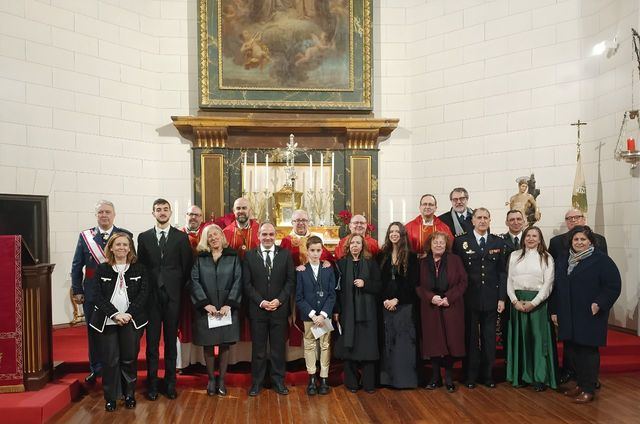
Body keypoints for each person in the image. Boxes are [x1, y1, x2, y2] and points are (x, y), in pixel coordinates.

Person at [550, 226, 621, 404]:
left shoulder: (601, 260)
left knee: (587, 352)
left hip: (590, 314)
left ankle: (589, 388)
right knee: (573, 351)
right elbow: (556, 287)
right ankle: (580, 385)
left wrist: (599, 304)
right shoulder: (564, 258)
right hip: (568, 313)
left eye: (583, 239)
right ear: (571, 242)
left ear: (590, 241)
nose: (579, 242)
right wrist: (555, 310)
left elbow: (613, 285)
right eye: (576, 240)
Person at [71, 200, 132, 383]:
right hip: (91, 293)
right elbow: (77, 265)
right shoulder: (86, 237)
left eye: (108, 212)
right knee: (94, 331)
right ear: (96, 215)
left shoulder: (125, 235)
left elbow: (132, 263)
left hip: (118, 293)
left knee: (119, 332)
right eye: (101, 212)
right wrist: (77, 289)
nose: (104, 215)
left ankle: (120, 368)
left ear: (114, 215)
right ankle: (96, 368)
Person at [137, 199, 193, 400]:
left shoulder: (181, 237)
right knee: (152, 344)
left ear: (170, 212)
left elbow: (187, 267)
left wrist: (177, 289)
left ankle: (170, 384)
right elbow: (141, 268)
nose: (162, 212)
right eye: (158, 209)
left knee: (170, 343)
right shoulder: (143, 238)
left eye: (165, 209)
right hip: (151, 298)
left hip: (172, 297)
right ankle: (152, 384)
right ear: (153, 213)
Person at [548, 208, 608, 384]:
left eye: (577, 217)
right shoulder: (557, 243)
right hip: (567, 303)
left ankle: (590, 380)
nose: (573, 220)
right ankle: (571, 373)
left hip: (589, 303)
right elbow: (554, 274)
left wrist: (599, 302)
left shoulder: (599, 244)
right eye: (569, 218)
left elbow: (605, 276)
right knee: (570, 342)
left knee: (588, 345)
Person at [89, 232, 148, 412]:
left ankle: (129, 394)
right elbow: (97, 296)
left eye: (125, 244)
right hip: (107, 321)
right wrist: (115, 314)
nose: (121, 247)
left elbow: (144, 294)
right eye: (118, 244)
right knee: (110, 360)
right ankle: (111, 397)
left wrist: (128, 314)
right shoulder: (102, 269)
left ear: (130, 248)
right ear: (111, 248)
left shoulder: (140, 268)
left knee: (129, 359)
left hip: (131, 320)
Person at [453, 207, 506, 389]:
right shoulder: (461, 242)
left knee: (489, 338)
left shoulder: (497, 242)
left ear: (490, 221)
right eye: (479, 218)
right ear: (472, 221)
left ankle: (488, 375)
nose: (482, 221)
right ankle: (470, 375)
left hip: (491, 299)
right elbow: (456, 272)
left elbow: (502, 273)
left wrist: (501, 298)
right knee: (471, 338)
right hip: (469, 298)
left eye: (486, 218)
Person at [189, 224, 242, 397]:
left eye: (216, 234)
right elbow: (194, 281)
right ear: (206, 239)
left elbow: (238, 280)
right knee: (209, 344)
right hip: (207, 308)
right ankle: (211, 379)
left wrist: (229, 304)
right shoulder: (200, 258)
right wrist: (205, 304)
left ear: (222, 236)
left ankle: (222, 381)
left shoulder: (233, 257)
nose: (213, 238)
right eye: (209, 235)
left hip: (227, 308)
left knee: (225, 343)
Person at [243, 222, 295, 396]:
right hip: (258, 310)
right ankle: (256, 383)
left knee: (277, 349)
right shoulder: (249, 255)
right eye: (264, 234)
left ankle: (278, 381)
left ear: (276, 236)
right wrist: (261, 302)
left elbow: (290, 282)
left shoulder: (285, 255)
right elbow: (247, 284)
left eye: (271, 234)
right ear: (258, 235)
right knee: (258, 349)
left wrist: (279, 301)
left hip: (279, 310)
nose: (268, 238)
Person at [505, 226, 557, 391]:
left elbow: (548, 284)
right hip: (518, 302)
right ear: (523, 238)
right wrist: (514, 301)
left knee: (537, 339)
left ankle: (539, 377)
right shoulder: (514, 256)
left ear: (540, 239)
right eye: (528, 235)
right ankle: (520, 375)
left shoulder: (547, 258)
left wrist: (534, 302)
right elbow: (509, 281)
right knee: (520, 338)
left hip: (537, 303)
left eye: (535, 236)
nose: (531, 238)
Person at [417, 232, 467, 393]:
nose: (439, 245)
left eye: (442, 242)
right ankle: (435, 377)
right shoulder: (422, 262)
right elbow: (417, 285)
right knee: (434, 343)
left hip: (451, 306)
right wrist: (431, 297)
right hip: (430, 307)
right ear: (429, 245)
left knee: (451, 342)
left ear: (446, 245)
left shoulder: (455, 260)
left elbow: (463, 281)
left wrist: (449, 298)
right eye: (435, 242)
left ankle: (449, 377)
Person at [335, 233, 382, 393]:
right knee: (350, 346)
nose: (355, 245)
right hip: (348, 312)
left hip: (368, 313)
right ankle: (352, 383)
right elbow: (336, 290)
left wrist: (365, 283)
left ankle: (369, 383)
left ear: (363, 246)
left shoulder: (371, 263)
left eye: (358, 243)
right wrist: (337, 311)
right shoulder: (340, 264)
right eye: (352, 243)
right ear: (348, 246)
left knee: (368, 347)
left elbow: (379, 286)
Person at [378, 222, 419, 389]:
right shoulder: (382, 256)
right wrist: (385, 299)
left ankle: (404, 380)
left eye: (397, 231)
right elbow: (378, 281)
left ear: (403, 235)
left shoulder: (412, 257)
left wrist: (397, 300)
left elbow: (412, 283)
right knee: (387, 341)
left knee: (403, 343)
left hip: (404, 305)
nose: (394, 234)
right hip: (386, 304)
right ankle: (387, 380)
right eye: (391, 231)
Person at [295, 236, 336, 395]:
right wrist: (313, 315)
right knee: (310, 345)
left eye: (318, 250)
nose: (315, 254)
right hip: (309, 316)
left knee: (325, 345)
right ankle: (312, 378)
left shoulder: (328, 269)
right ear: (307, 251)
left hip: (325, 315)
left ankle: (324, 378)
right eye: (312, 250)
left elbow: (332, 295)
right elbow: (299, 297)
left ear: (322, 250)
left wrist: (323, 314)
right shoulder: (301, 271)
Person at [178, 205, 206, 371]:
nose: (193, 218)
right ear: (185, 216)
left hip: (203, 288)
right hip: (182, 288)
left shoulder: (207, 235)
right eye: (190, 214)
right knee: (184, 325)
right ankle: (184, 362)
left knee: (201, 323)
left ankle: (202, 361)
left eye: (197, 215)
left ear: (201, 218)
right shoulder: (177, 235)